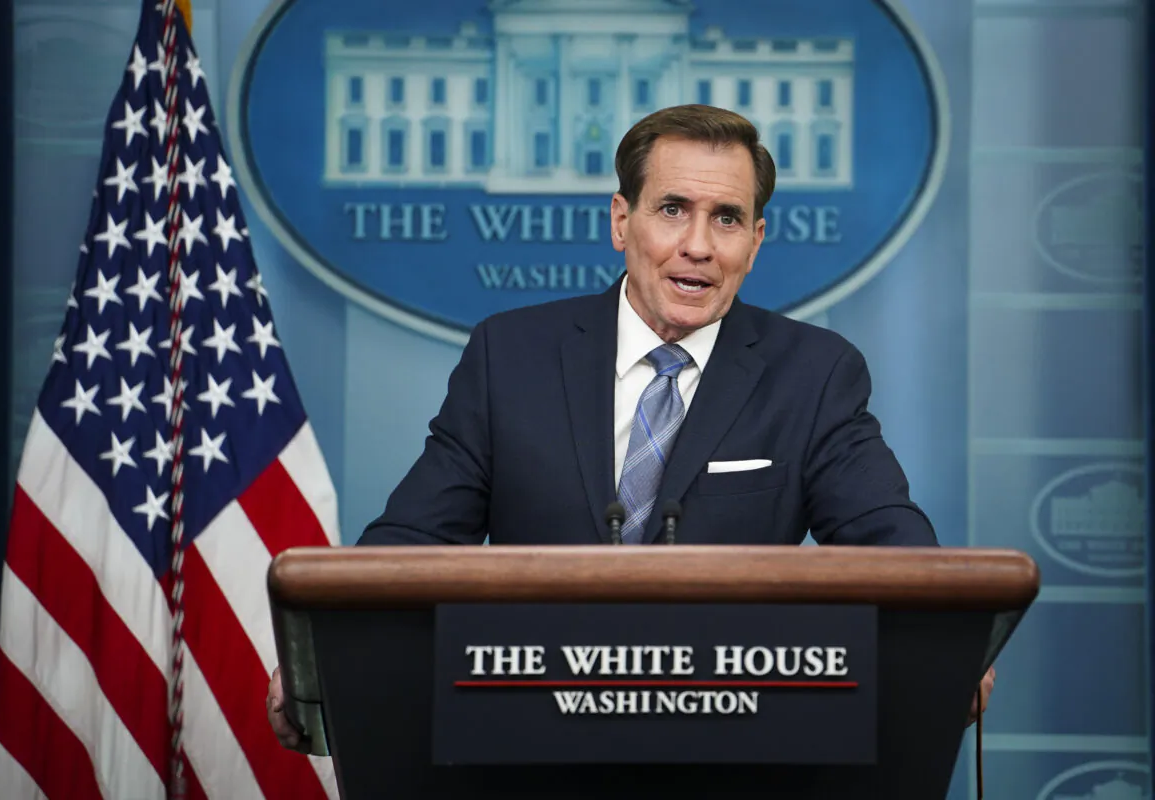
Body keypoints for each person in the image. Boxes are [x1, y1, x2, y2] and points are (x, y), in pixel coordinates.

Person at [267, 104, 995, 748]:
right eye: (673, 209)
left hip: (734, 744)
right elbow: (417, 540)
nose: (699, 246)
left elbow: (885, 535)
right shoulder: (510, 355)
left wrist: (943, 639)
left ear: (757, 239)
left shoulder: (813, 372)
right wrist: (331, 647)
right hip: (526, 739)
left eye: (727, 219)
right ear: (623, 221)